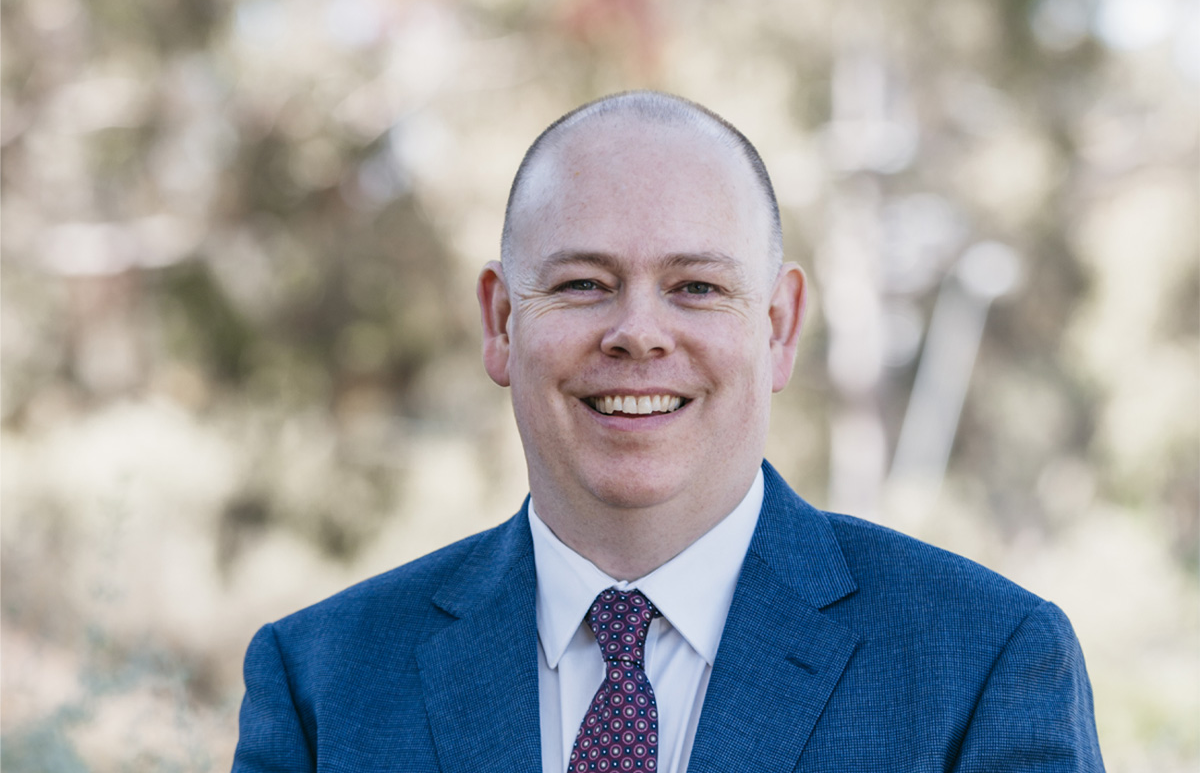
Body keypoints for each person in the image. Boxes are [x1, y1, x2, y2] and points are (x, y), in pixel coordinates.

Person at [232, 91, 1105, 772]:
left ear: (779, 325)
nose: (639, 332)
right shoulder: (323, 683)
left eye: (695, 287)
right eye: (582, 284)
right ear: (501, 322)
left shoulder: (984, 665)